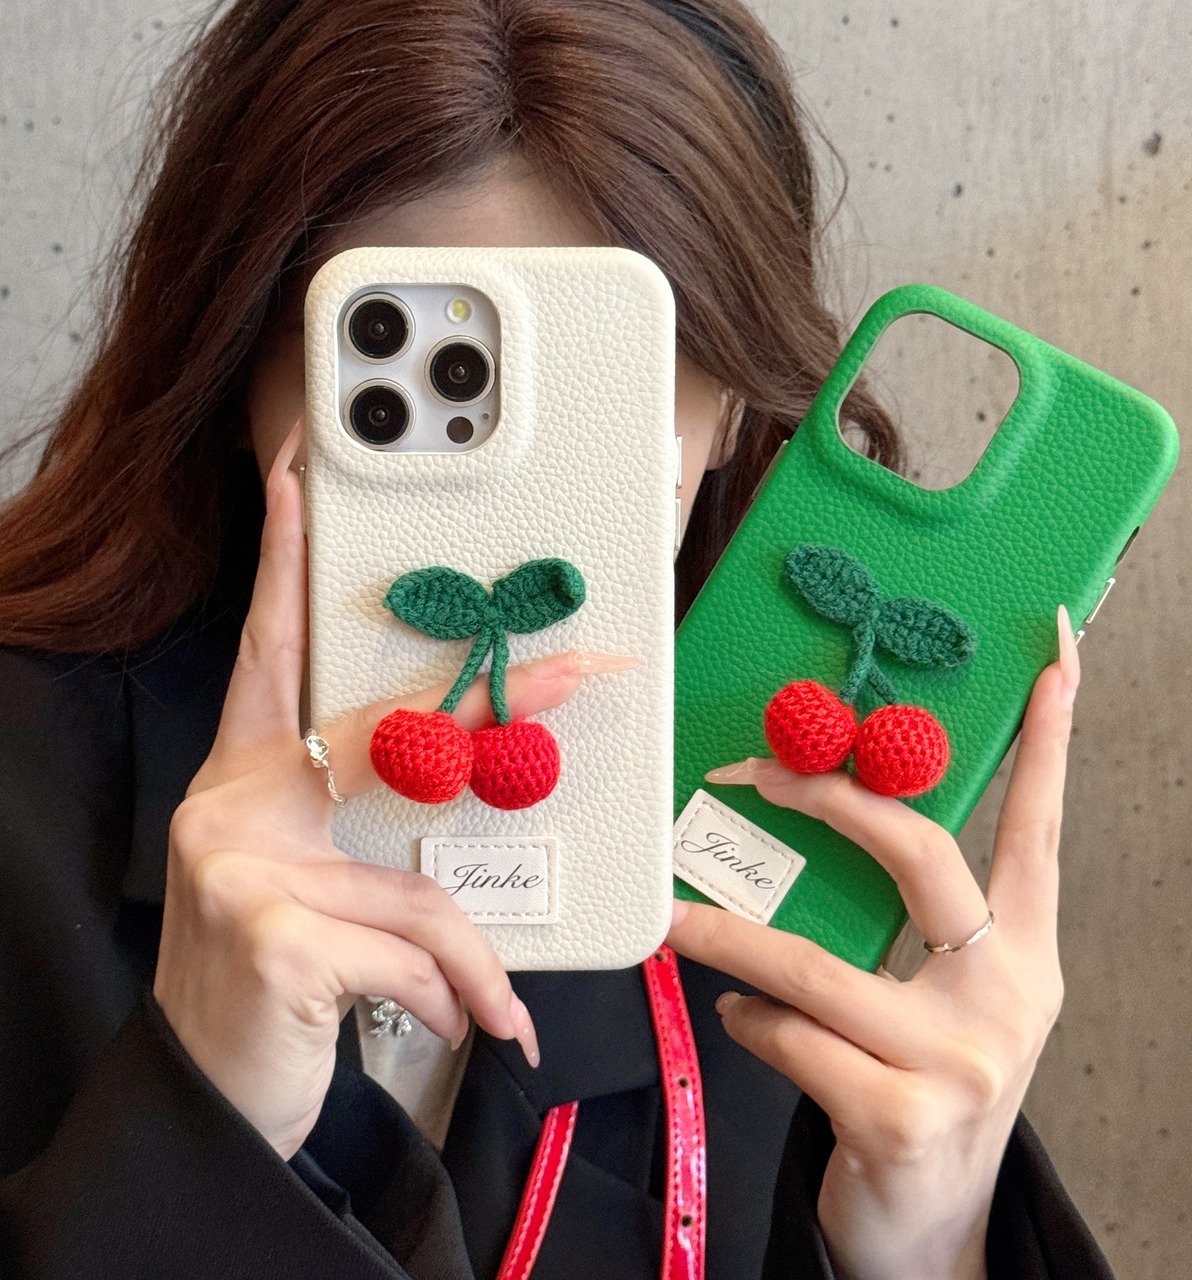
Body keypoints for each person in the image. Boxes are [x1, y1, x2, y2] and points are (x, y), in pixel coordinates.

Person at [0, 1, 1113, 1276]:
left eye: (598, 368)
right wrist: (197, 1126)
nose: (508, 485)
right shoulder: (25, 784)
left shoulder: (770, 840)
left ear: (733, 407)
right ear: (237, 365)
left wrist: (926, 1241)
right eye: (400, 357)